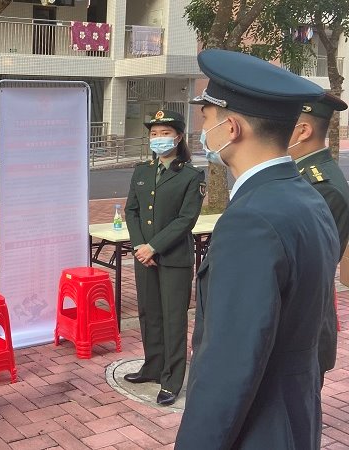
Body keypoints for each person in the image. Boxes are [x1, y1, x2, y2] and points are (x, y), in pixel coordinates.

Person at [175, 49, 339, 449]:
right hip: (296, 415)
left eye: (207, 118)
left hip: (258, 428)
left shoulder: (250, 219)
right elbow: (322, 330)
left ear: (231, 128)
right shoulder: (308, 197)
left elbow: (227, 367)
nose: (203, 129)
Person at [123, 109, 205, 407]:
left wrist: (153, 247)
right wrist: (140, 246)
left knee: (173, 319)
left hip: (173, 259)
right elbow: (132, 210)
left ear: (178, 137)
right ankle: (153, 367)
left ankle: (171, 379)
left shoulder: (191, 175)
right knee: (149, 314)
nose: (158, 138)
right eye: (154, 134)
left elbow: (186, 219)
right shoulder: (142, 171)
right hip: (144, 257)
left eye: (165, 133)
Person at [288, 91, 349, 387]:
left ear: (303, 131)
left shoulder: (322, 186)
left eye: (280, 123)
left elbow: (312, 267)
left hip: (301, 329)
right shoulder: (299, 175)